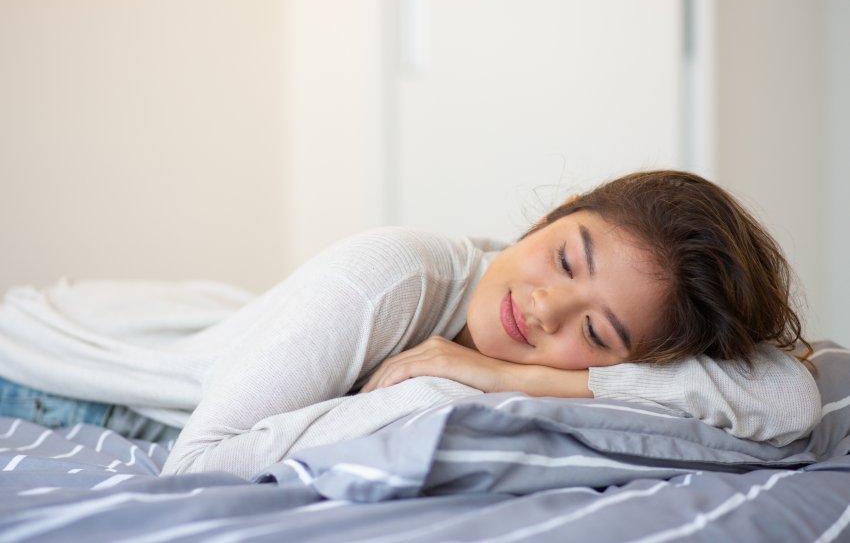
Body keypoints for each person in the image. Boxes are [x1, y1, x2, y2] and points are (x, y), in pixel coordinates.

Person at [0, 170, 821, 480]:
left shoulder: (512, 363)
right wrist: (431, 383)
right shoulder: (393, 273)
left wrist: (511, 376)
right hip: (45, 370)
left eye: (598, 335)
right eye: (566, 259)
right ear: (556, 215)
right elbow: (195, 470)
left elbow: (787, 400)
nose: (542, 308)